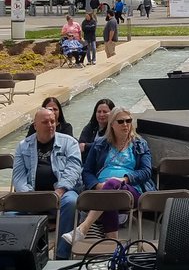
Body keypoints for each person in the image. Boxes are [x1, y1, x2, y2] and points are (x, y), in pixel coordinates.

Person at [65, 107, 155, 246]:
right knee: (110, 192)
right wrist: (96, 185)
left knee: (112, 185)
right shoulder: (100, 144)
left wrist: (125, 179)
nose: (125, 124)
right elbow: (87, 171)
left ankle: (84, 228)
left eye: (128, 121)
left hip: (132, 189)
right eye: (121, 121)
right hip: (102, 189)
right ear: (112, 124)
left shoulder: (140, 144)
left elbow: (146, 171)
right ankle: (113, 244)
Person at [13, 107, 82, 259]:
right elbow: (18, 176)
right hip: (31, 194)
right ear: (35, 125)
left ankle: (62, 256)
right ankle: (23, 257)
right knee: (9, 213)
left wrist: (60, 191)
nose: (50, 125)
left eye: (53, 121)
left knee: (71, 202)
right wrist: (29, 196)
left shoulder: (69, 143)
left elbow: (74, 169)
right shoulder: (23, 146)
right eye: (45, 122)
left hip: (61, 193)